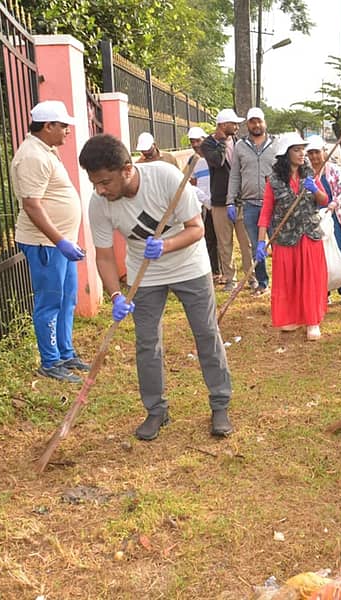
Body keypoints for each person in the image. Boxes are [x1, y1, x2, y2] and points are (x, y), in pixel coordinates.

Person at [79, 133, 233, 440]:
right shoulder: (100, 203)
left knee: (206, 333)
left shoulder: (165, 177)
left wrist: (165, 245)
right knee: (147, 343)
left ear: (126, 169)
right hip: (144, 274)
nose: (100, 189)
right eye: (94, 182)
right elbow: (106, 256)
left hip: (189, 265)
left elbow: (196, 229)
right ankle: (156, 410)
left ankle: (220, 404)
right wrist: (115, 294)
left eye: (105, 182)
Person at [10, 100, 89, 383]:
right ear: (48, 126)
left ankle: (65, 353)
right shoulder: (32, 155)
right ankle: (50, 361)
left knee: (67, 299)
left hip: (60, 243)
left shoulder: (46, 151)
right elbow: (32, 205)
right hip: (46, 244)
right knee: (50, 303)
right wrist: (59, 240)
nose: (67, 131)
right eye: (63, 125)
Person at [255, 132, 328, 340]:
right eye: (297, 150)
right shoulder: (274, 181)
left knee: (310, 278)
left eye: (302, 149)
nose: (302, 154)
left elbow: (323, 200)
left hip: (309, 234)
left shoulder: (310, 174)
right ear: (285, 154)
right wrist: (261, 241)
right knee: (289, 278)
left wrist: (314, 189)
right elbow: (266, 211)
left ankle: (312, 320)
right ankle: (293, 316)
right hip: (286, 237)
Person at [202, 108, 253, 292]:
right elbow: (218, 162)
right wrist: (222, 141)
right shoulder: (208, 144)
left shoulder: (239, 142)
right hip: (220, 200)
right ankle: (230, 278)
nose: (237, 126)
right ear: (223, 125)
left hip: (240, 199)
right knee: (224, 243)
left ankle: (250, 276)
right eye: (233, 124)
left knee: (245, 241)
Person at [228, 107, 274, 296]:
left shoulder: (275, 145)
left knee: (279, 244)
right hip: (250, 204)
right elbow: (235, 175)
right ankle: (263, 283)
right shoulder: (240, 146)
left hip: (274, 204)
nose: (256, 125)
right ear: (247, 124)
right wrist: (230, 200)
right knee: (256, 246)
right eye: (252, 121)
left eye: (259, 121)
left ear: (264, 122)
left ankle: (283, 281)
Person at [306, 135, 341, 307]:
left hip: (336, 217)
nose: (314, 157)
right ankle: (323, 291)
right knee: (320, 257)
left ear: (324, 152)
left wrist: (335, 203)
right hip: (316, 220)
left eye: (316, 152)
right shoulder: (306, 174)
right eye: (310, 153)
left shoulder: (335, 171)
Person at [188, 126, 221, 281]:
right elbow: (193, 183)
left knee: (220, 237)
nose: (195, 144)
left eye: (198, 141)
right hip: (202, 204)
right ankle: (214, 270)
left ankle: (223, 270)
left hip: (217, 202)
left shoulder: (213, 158)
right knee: (208, 238)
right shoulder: (193, 161)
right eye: (192, 142)